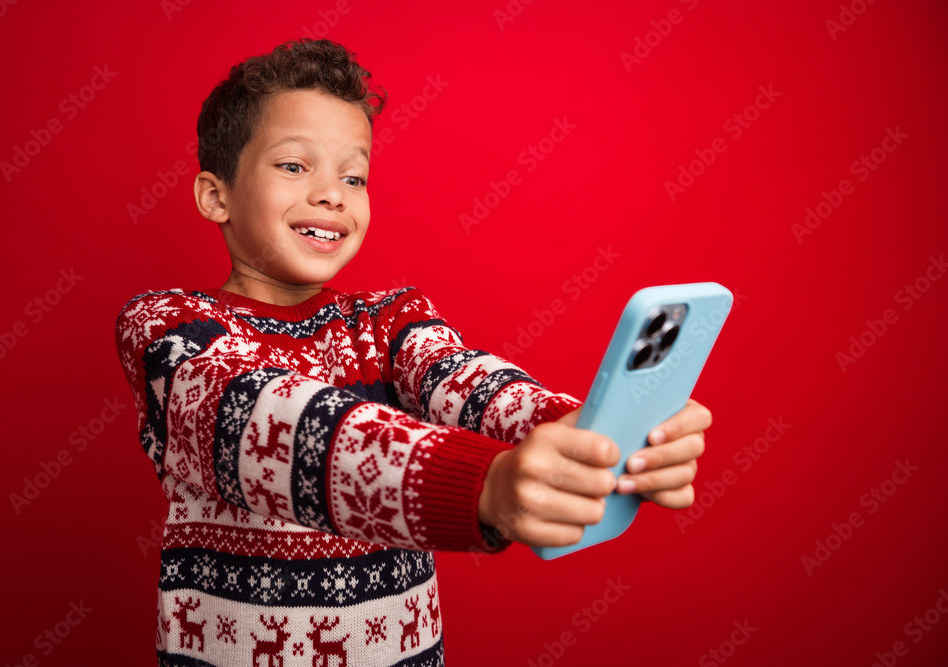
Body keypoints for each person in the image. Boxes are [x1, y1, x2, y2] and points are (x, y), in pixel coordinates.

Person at [114, 37, 711, 667]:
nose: (332, 194)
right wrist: (486, 483)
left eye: (354, 175)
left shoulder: (388, 322)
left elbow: (471, 382)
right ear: (216, 196)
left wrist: (583, 433)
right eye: (294, 166)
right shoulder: (168, 329)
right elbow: (261, 417)